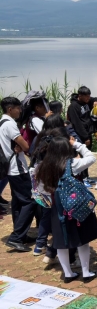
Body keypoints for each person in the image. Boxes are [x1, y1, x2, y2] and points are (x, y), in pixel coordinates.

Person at [36, 135, 97, 282]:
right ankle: (86, 272)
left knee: (60, 242)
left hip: (57, 210)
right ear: (67, 149)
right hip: (76, 208)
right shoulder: (72, 164)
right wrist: (77, 144)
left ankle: (68, 274)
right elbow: (91, 158)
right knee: (82, 241)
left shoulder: (43, 167)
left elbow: (41, 190)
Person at [1, 97, 37, 252]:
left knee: (17, 202)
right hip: (18, 168)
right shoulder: (10, 124)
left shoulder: (1, 123)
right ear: (10, 109)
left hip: (10, 168)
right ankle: (16, 237)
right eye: (18, 108)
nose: (20, 111)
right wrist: (23, 147)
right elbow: (26, 145)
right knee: (30, 201)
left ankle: (21, 234)